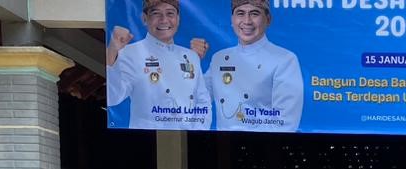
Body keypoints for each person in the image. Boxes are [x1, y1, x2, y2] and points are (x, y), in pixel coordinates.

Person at [106, 0, 211, 130]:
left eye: (170, 13)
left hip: (186, 136)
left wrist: (197, 130)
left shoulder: (190, 56)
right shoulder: (129, 52)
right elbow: (113, 97)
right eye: (156, 14)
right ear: (144, 18)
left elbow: (203, 100)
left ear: (178, 19)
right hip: (148, 139)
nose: (164, 20)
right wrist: (112, 52)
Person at [207, 0, 303, 132]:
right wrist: (193, 58)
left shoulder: (285, 59)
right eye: (240, 13)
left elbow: (286, 122)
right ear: (232, 19)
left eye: (254, 13)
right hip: (223, 145)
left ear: (268, 19)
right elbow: (195, 99)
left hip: (265, 146)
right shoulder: (219, 58)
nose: (247, 21)